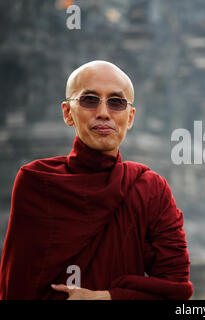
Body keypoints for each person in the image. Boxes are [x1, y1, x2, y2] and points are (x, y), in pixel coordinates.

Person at [0, 60, 193, 300]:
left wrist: (107, 297)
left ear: (130, 117)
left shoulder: (149, 189)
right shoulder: (38, 182)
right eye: (89, 100)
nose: (103, 113)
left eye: (116, 102)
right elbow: (17, 287)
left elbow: (176, 290)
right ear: (67, 113)